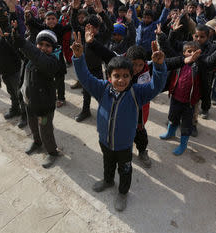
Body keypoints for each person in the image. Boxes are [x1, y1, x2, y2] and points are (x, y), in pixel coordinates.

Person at [71, 29, 167, 212]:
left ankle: (123, 192)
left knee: (125, 170)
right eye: (116, 76)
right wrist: (78, 58)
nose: (121, 80)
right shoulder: (102, 89)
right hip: (105, 141)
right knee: (107, 164)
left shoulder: (136, 93)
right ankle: (108, 181)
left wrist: (160, 67)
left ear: (131, 77)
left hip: (124, 145)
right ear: (109, 77)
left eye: (125, 76)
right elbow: (85, 77)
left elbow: (156, 86)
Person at [12, 26, 63, 168]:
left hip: (44, 105)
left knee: (45, 130)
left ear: (53, 48)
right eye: (40, 44)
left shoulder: (52, 62)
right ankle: (37, 142)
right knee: (32, 125)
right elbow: (19, 48)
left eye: (48, 45)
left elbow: (39, 58)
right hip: (29, 101)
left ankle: (52, 152)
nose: (43, 48)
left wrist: (23, 42)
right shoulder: (31, 57)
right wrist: (10, 35)